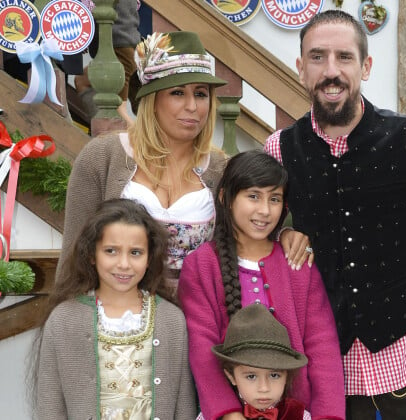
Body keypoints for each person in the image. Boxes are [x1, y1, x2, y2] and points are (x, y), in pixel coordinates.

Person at [264, 10, 406, 419]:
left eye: (344, 57)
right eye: (317, 57)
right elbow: (260, 232)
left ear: (366, 66)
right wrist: (283, 233)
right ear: (300, 69)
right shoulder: (279, 149)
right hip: (328, 367)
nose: (331, 71)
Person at [57, 31, 312, 293]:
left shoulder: (220, 169)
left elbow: (254, 233)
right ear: (152, 100)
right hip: (117, 322)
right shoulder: (102, 157)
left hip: (200, 321)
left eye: (201, 94)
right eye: (178, 92)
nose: (192, 106)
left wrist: (285, 235)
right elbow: (73, 258)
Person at [178, 150, 344, 420]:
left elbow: (322, 346)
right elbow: (202, 349)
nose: (265, 210)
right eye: (253, 196)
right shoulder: (202, 265)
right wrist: (229, 414)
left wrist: (329, 416)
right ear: (226, 198)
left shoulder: (297, 262)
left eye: (275, 199)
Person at [32, 198, 195, 419]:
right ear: (91, 254)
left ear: (150, 258)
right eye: (111, 251)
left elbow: (184, 405)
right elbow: (50, 407)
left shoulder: (171, 320)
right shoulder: (63, 320)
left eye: (135, 252)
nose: (124, 264)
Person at [199, 304, 312, 420]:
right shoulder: (213, 416)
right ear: (231, 376)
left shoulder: (299, 415)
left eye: (274, 375)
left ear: (286, 375)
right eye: (251, 376)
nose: (264, 388)